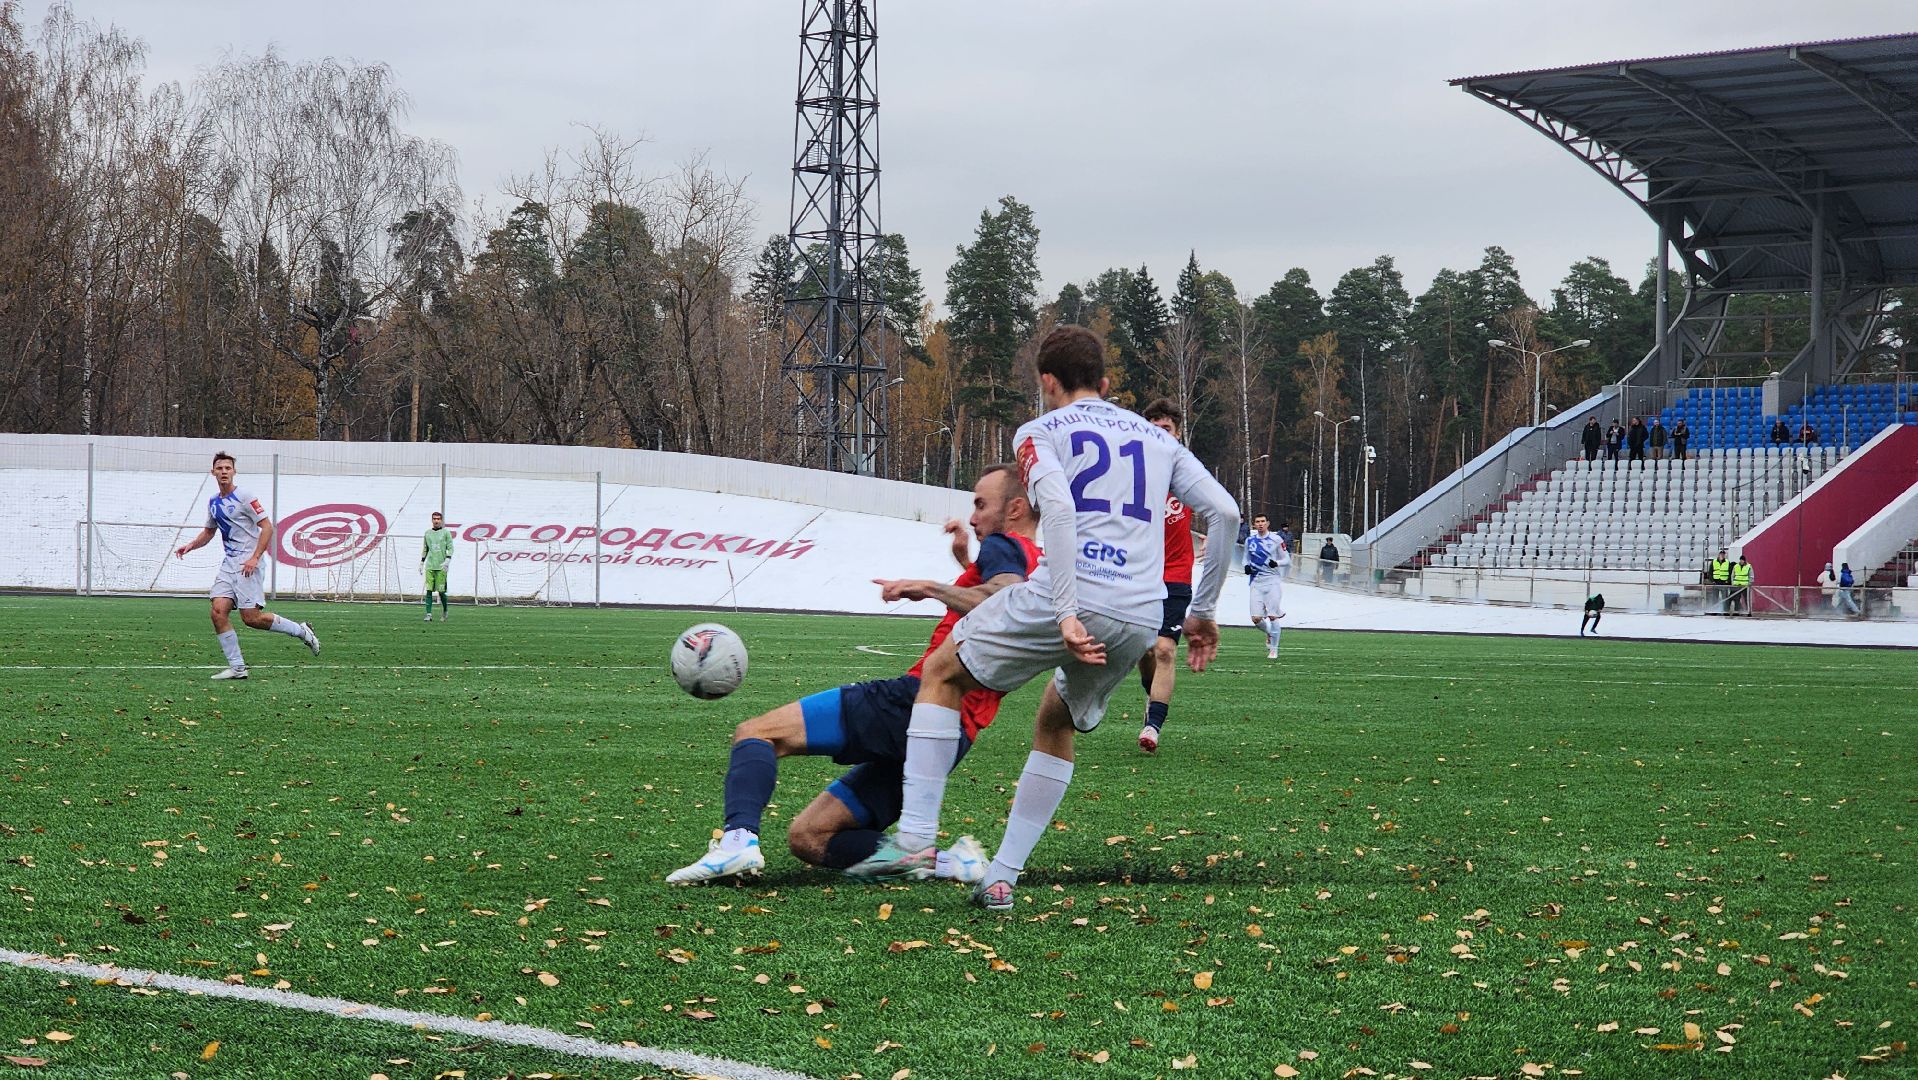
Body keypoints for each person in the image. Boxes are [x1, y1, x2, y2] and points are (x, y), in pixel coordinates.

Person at [847, 324, 1239, 911]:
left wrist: (1063, 610)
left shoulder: (1038, 431)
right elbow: (1227, 513)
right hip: (1137, 610)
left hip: (1070, 591)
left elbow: (1054, 504)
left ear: (1047, 382)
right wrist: (1204, 610)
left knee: (943, 671)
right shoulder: (1160, 441)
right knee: (1056, 719)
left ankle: (915, 841)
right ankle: (1002, 877)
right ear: (1105, 384)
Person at [665, 465, 1040, 884]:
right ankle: (952, 863)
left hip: (914, 703)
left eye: (981, 504)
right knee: (810, 837)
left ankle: (737, 843)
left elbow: (1006, 599)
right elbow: (1009, 596)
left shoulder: (1005, 548)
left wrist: (929, 587)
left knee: (757, 734)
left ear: (1016, 509)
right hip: (951, 737)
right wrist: (964, 560)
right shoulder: (1038, 563)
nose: (973, 517)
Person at [172, 452, 320, 679]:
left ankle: (301, 631)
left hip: (248, 563)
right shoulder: (213, 501)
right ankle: (238, 668)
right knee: (217, 611)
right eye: (219, 468)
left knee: (251, 619)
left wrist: (255, 557)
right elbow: (210, 531)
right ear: (213, 472)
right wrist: (191, 545)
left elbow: (268, 527)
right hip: (229, 563)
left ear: (234, 472)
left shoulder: (245, 496)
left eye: (227, 468)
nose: (223, 472)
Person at [1136, 399, 1194, 755]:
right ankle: (1152, 698)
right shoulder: (1132, 472)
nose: (1159, 436)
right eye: (1153, 430)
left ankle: (1153, 725)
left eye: (1166, 430)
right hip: (1140, 575)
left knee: (1165, 650)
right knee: (1142, 650)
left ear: (1177, 433)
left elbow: (1219, 510)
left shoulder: (1187, 472)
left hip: (1175, 577)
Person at [1246, 515, 1290, 658]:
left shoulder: (1276, 539)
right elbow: (1245, 559)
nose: (1260, 524)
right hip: (1256, 582)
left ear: (1268, 523)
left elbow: (1286, 559)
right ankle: (1270, 633)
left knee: (1273, 616)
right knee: (1256, 619)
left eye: (1263, 522)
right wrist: (1246, 567)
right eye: (1257, 522)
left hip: (1272, 581)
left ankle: (1274, 650)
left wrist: (1277, 563)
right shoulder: (1250, 540)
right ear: (1254, 524)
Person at [421, 511, 454, 621]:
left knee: (441, 592)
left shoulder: (446, 533)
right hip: (430, 566)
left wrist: (447, 560)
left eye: (438, 519)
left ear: (441, 520)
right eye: (434, 519)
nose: (436, 521)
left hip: (441, 567)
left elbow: (450, 548)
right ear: (432, 520)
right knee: (429, 590)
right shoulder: (427, 533)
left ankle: (445, 610)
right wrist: (422, 562)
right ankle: (429, 614)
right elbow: (425, 549)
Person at [1709, 548, 1733, 613]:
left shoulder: (1728, 562)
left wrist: (1728, 581)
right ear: (1718, 554)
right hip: (1716, 582)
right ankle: (1714, 611)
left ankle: (1725, 611)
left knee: (1725, 598)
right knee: (1714, 598)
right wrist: (1712, 581)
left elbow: (1730, 573)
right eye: (1721, 554)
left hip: (1724, 582)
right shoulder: (1713, 562)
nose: (1722, 555)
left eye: (1723, 554)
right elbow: (1710, 572)